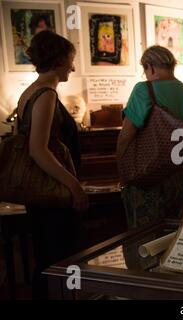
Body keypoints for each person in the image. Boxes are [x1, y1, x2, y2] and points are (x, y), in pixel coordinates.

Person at [16, 30, 89, 298]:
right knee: (60, 262)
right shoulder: (45, 94)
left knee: (47, 261)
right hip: (53, 195)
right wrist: (75, 187)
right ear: (58, 59)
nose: (72, 66)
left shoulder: (30, 92)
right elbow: (38, 150)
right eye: (71, 59)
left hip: (41, 194)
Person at [116, 45, 183, 228]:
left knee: (144, 240)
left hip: (149, 179)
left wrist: (122, 171)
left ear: (150, 67)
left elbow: (125, 137)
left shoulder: (144, 90)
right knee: (175, 237)